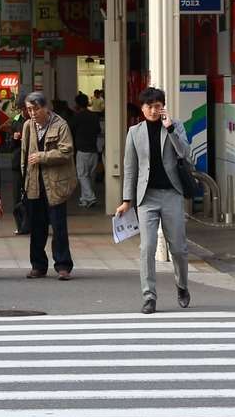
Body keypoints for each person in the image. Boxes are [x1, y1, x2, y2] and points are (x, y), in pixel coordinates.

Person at [117, 87, 194, 314]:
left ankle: (182, 286)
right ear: (142, 109)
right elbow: (130, 168)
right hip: (146, 197)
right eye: (149, 106)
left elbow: (185, 152)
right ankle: (149, 296)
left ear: (163, 107)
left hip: (172, 193)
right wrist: (126, 200)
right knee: (147, 247)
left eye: (157, 106)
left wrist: (170, 128)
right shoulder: (134, 132)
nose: (153, 110)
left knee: (178, 248)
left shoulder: (174, 126)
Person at [20, 91, 78, 279]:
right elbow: (24, 154)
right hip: (35, 183)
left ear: (46, 108)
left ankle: (63, 266)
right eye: (29, 109)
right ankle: (38, 265)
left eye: (36, 109)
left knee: (58, 226)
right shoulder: (28, 126)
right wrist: (25, 180)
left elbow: (67, 151)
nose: (32, 113)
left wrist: (43, 157)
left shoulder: (60, 125)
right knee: (37, 227)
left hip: (55, 184)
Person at [72, 93, 100, 209]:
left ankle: (91, 197)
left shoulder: (77, 116)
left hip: (82, 150)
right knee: (90, 176)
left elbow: (71, 129)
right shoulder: (94, 116)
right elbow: (98, 130)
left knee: (82, 176)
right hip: (94, 149)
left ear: (77, 104)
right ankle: (84, 200)